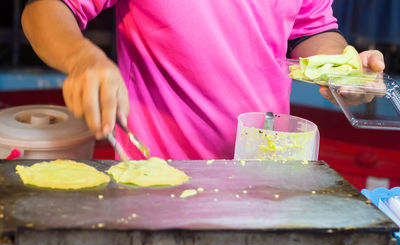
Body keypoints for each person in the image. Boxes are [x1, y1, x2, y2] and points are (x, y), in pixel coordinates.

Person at [21, 0, 385, 160]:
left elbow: (316, 30)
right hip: (158, 174)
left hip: (268, 172)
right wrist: (83, 59)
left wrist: (345, 68)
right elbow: (46, 9)